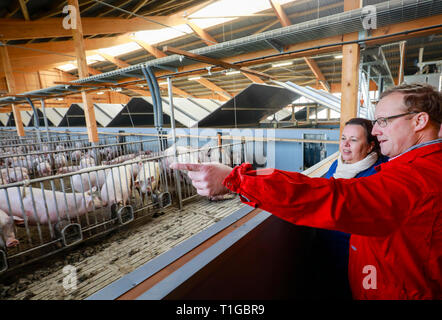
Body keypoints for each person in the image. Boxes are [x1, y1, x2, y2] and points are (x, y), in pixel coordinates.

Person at [171, 83, 442, 300]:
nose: (377, 130)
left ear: (419, 121)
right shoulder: (414, 167)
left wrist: (237, 179)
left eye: (384, 120)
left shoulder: (418, 178)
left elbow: (333, 197)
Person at [314, 117, 388, 299]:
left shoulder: (380, 172)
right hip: (328, 246)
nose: (346, 145)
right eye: (343, 138)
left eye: (354, 140)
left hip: (358, 255)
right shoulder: (337, 165)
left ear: (371, 146)